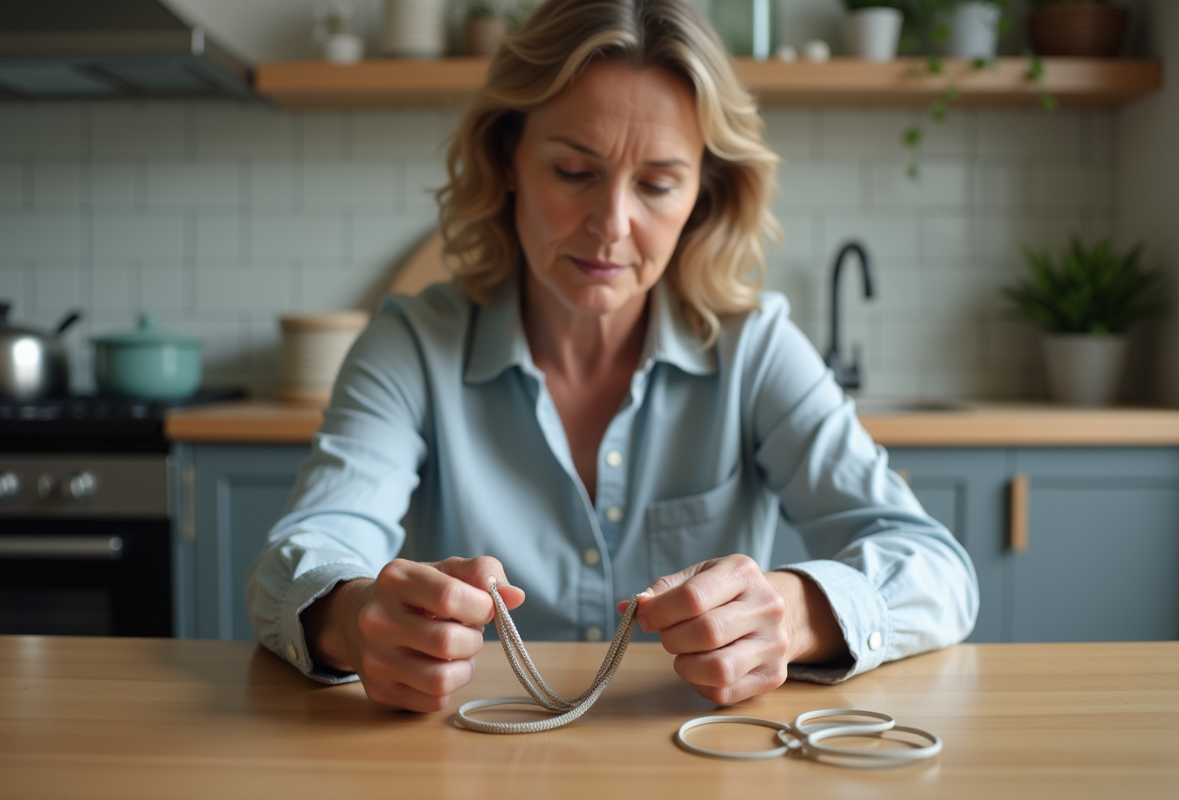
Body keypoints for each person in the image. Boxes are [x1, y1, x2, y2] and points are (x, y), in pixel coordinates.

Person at [245, 0, 978, 713]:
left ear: (704, 195)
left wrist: (796, 612)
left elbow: (937, 569)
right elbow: (306, 550)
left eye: (658, 184)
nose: (612, 226)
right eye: (572, 172)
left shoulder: (754, 350)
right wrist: (353, 618)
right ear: (509, 158)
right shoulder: (411, 346)